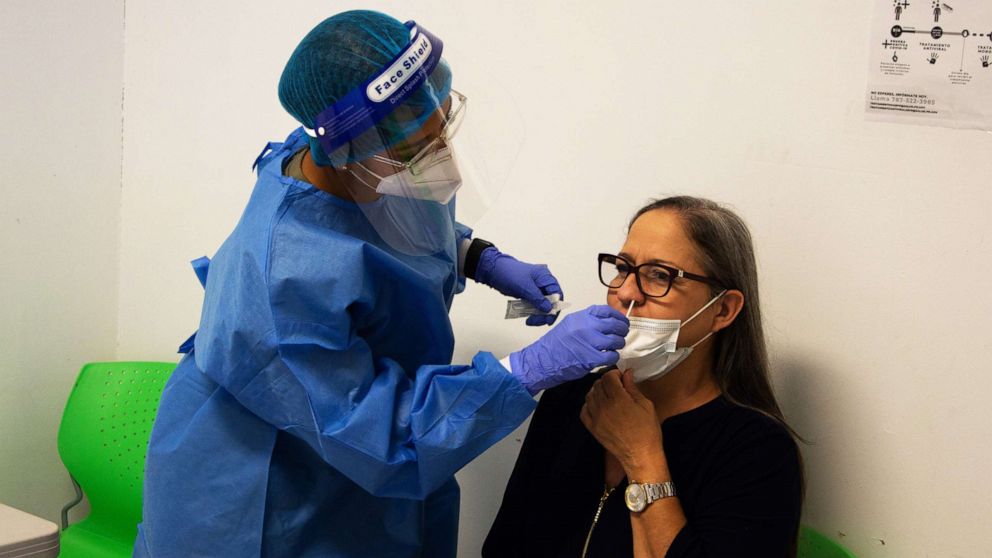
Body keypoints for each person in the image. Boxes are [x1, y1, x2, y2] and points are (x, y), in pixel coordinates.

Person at [135, 10, 629, 558]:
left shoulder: (361, 156)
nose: (445, 166)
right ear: (347, 154)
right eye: (418, 150)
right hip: (267, 482)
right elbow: (384, 439)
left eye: (443, 130)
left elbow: (389, 226)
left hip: (366, 445)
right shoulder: (280, 284)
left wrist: (478, 257)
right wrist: (524, 371)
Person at [484, 196, 804, 558]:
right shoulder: (571, 396)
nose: (625, 293)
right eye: (623, 267)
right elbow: (505, 545)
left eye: (660, 275)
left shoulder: (755, 449)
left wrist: (643, 458)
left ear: (723, 310)